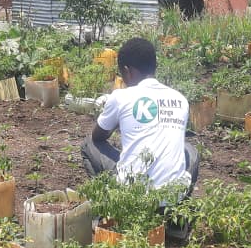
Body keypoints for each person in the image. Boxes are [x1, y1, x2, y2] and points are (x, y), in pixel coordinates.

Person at [81, 37, 198, 194]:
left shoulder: (121, 97)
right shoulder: (180, 99)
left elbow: (98, 137)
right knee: (190, 150)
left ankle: (107, 199)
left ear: (127, 71)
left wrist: (118, 122)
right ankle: (180, 204)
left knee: (88, 144)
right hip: (172, 197)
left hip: (134, 197)